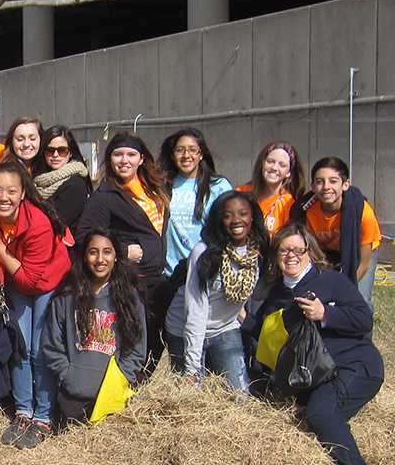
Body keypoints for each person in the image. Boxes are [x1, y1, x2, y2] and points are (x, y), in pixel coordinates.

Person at [243, 223, 381, 465]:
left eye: (298, 250)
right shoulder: (276, 295)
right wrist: (243, 318)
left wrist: (325, 314)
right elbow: (269, 335)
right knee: (313, 416)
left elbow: (364, 319)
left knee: (321, 413)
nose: (291, 256)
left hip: (354, 365)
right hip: (317, 377)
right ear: (276, 256)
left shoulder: (331, 280)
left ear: (310, 251)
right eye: (284, 250)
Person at [0, 160, 72, 449]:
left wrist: (0, 248)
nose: (3, 197)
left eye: (11, 191)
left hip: (45, 282)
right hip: (17, 280)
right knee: (20, 344)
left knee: (39, 347)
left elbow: (32, 281)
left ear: (22, 194)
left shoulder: (37, 223)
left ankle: (43, 415)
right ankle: (22, 411)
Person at [76, 132, 169, 379]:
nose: (124, 160)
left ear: (141, 159)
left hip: (156, 279)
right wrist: (122, 251)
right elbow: (84, 236)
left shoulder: (153, 190)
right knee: (134, 336)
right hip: (130, 280)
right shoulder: (105, 196)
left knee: (156, 336)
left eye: (131, 154)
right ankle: (128, 384)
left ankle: (141, 383)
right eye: (118, 154)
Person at [163, 191, 270, 392]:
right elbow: (195, 311)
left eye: (242, 213)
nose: (236, 220)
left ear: (252, 216)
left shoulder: (258, 251)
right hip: (185, 329)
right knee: (191, 396)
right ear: (219, 220)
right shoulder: (204, 252)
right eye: (228, 215)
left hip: (225, 329)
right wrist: (192, 369)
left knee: (239, 397)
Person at [41, 228, 147, 429]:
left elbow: (137, 349)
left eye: (107, 251)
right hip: (73, 399)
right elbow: (52, 344)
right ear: (84, 256)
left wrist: (122, 379)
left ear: (116, 256)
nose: (100, 259)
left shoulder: (130, 298)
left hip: (112, 402)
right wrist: (68, 376)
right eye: (93, 252)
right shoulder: (67, 296)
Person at [291, 157, 382, 305]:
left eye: (333, 181)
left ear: (345, 185)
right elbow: (309, 254)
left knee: (358, 299)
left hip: (359, 253)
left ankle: (362, 325)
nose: (326, 186)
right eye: (319, 181)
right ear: (313, 187)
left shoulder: (362, 213)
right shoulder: (305, 211)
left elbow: (363, 264)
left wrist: (342, 288)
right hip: (326, 252)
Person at [157, 128, 233, 279]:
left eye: (193, 150)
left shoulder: (218, 186)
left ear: (201, 154)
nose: (186, 155)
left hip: (205, 272)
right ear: (172, 155)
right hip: (170, 274)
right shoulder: (162, 185)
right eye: (180, 150)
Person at [236, 141, 305, 236]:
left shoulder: (289, 203)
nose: (274, 168)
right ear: (262, 164)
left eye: (282, 165)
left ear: (289, 173)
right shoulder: (240, 193)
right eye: (270, 161)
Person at [31, 125, 90, 229]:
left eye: (62, 150)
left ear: (70, 153)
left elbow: (57, 222)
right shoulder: (35, 180)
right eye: (50, 150)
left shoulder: (76, 184)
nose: (55, 155)